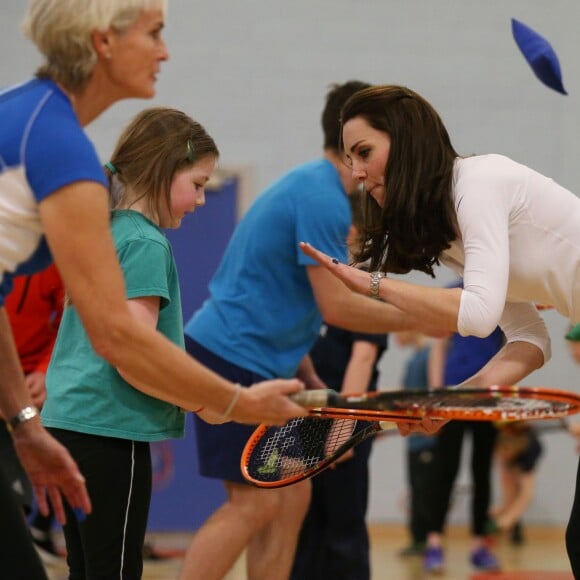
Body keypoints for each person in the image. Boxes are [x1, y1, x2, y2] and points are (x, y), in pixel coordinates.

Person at [0, 1, 304, 576]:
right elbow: (126, 345)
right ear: (103, 41)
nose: (165, 51)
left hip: (64, 418)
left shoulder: (75, 175)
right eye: (155, 32)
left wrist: (23, 421)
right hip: (104, 428)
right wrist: (225, 402)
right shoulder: (66, 155)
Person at [297, 84, 580, 576]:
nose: (356, 172)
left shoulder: (480, 182)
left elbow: (476, 315)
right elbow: (530, 341)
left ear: (404, 141)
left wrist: (374, 285)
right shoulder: (450, 237)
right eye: (348, 158)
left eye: (364, 152)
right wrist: (452, 403)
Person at [178, 81, 441, 580]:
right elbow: (336, 306)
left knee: (292, 495)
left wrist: (310, 375)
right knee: (251, 505)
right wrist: (429, 314)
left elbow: (289, 298)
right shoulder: (323, 198)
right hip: (231, 356)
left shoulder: (312, 188)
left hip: (263, 360)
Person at [40, 106, 226, 578]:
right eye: (199, 184)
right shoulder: (145, 242)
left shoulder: (107, 232)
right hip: (108, 431)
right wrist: (203, 400)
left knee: (86, 569)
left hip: (69, 424)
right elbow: (136, 358)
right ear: (165, 170)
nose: (202, 200)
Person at [290, 190, 389, 580]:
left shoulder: (370, 285)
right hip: (301, 416)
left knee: (342, 526)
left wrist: (344, 428)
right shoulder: (312, 282)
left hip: (346, 422)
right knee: (303, 527)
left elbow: (363, 357)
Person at [422, 288, 505, 573]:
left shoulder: (501, 296)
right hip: (452, 399)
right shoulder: (452, 293)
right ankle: (434, 544)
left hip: (487, 401)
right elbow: (439, 345)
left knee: (482, 472)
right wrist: (436, 393)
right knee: (444, 471)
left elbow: (508, 346)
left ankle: (479, 545)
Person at [2, 264, 64, 562]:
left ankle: (37, 529)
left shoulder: (52, 252)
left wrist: (45, 370)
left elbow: (71, 318)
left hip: (31, 373)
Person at [392, 330, 435, 558]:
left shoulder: (429, 356)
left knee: (426, 492)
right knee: (416, 490)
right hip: (413, 441)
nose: (395, 337)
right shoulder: (413, 359)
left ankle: (428, 541)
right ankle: (418, 540)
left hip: (427, 439)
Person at [487, 420, 543, 546]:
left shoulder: (531, 449)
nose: (505, 455)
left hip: (524, 458)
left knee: (522, 495)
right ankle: (501, 523)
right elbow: (508, 494)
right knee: (509, 497)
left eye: (507, 452)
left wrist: (506, 520)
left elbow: (527, 495)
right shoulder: (499, 440)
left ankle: (505, 523)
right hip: (509, 438)